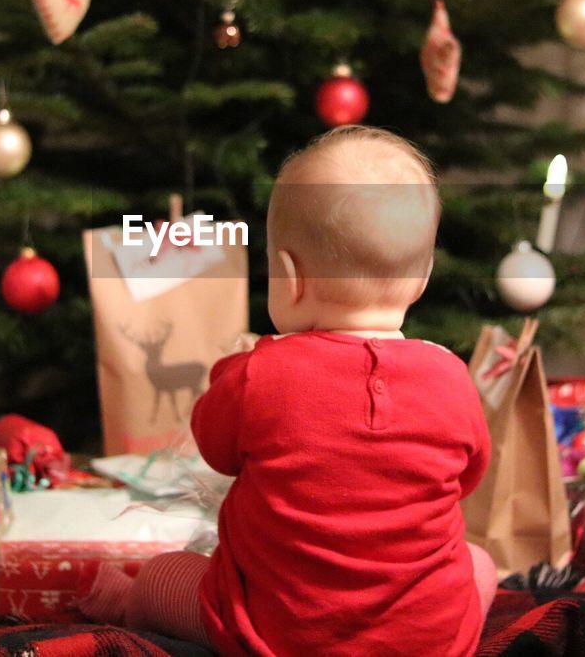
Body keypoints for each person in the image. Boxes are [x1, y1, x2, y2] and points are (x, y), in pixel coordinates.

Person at [88, 126, 495, 655]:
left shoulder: (260, 373)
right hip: (428, 640)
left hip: (277, 633)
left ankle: (124, 605)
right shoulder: (451, 378)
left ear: (289, 277)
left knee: (164, 577)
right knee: (479, 564)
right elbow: (467, 478)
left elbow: (214, 446)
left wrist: (235, 373)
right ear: (423, 279)